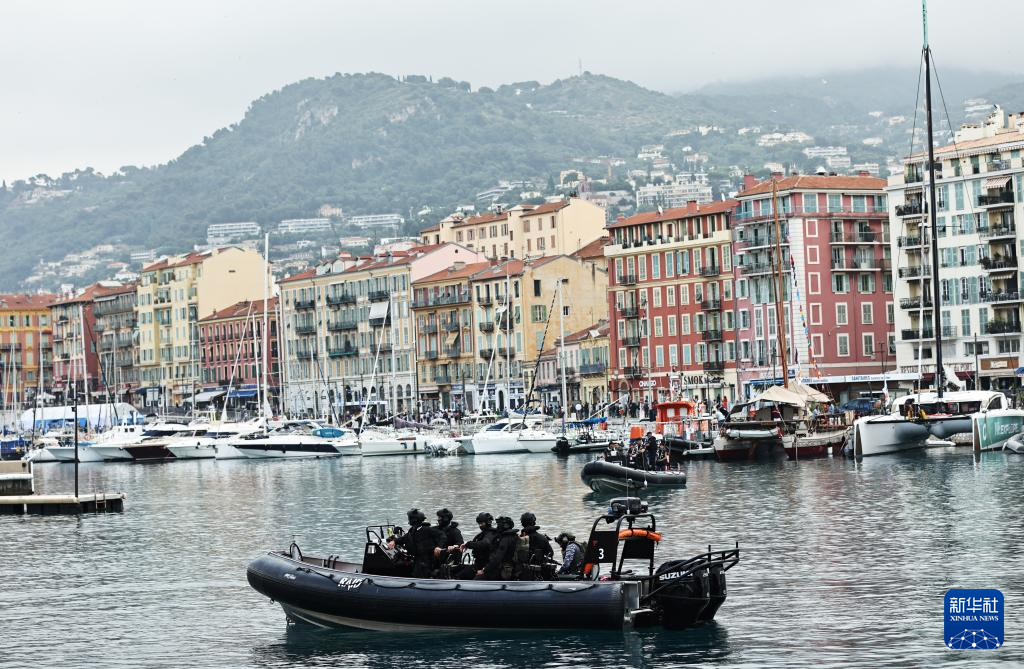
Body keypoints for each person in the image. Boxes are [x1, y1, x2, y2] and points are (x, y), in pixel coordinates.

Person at [388, 508, 443, 578]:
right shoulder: (413, 530)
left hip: (426, 560)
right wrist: (394, 541)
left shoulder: (427, 529)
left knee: (419, 574)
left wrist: (439, 547)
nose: (408, 520)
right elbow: (405, 538)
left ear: (414, 519)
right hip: (416, 558)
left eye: (409, 518)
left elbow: (442, 536)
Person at [456, 512, 498, 579]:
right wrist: (465, 545)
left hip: (486, 566)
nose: (480, 525)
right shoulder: (482, 534)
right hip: (478, 564)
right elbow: (476, 543)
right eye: (479, 523)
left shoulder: (491, 534)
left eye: (482, 523)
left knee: (461, 576)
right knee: (458, 569)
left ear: (488, 522)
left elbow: (484, 544)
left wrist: (468, 544)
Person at [517, 512, 554, 579]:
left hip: (523, 571)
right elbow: (550, 553)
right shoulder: (543, 538)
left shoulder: (519, 538)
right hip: (540, 570)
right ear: (534, 522)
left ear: (522, 523)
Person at [480, 516, 519, 580]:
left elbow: (497, 558)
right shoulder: (514, 536)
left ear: (506, 525)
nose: (497, 527)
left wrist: (484, 570)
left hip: (503, 570)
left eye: (499, 524)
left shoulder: (505, 539)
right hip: (510, 567)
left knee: (478, 577)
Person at [433, 508, 464, 575]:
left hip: (448, 558)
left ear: (445, 519)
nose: (438, 519)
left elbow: (460, 543)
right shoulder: (435, 529)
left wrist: (453, 546)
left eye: (439, 518)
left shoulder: (455, 531)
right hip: (435, 557)